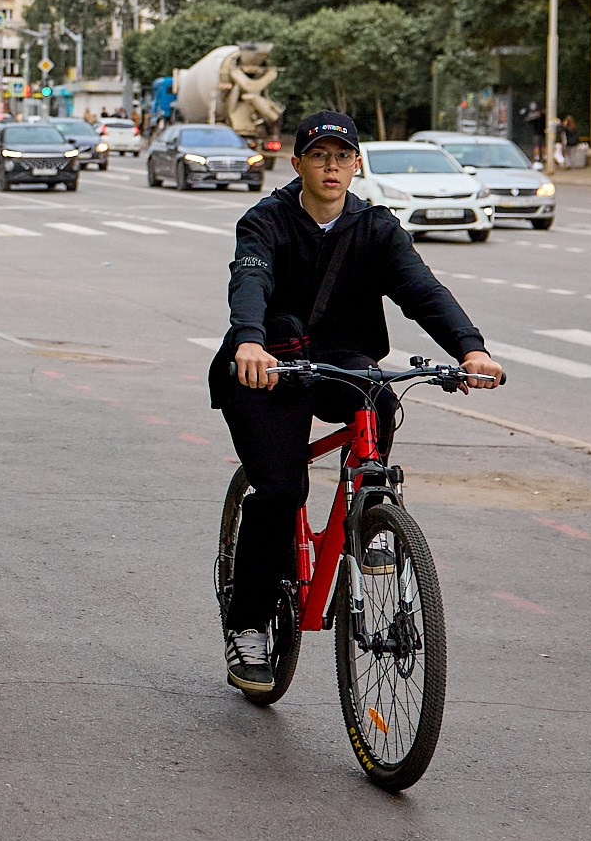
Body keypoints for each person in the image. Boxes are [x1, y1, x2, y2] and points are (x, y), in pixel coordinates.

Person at [209, 110, 503, 696]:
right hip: (269, 365)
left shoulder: (376, 228)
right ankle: (247, 625)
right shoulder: (265, 221)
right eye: (319, 156)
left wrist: (470, 350)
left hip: (342, 359)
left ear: (356, 164)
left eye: (342, 157)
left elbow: (423, 291)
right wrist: (248, 338)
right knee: (281, 487)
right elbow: (251, 279)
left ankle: (369, 516)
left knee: (379, 394)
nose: (331, 167)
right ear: (297, 164)